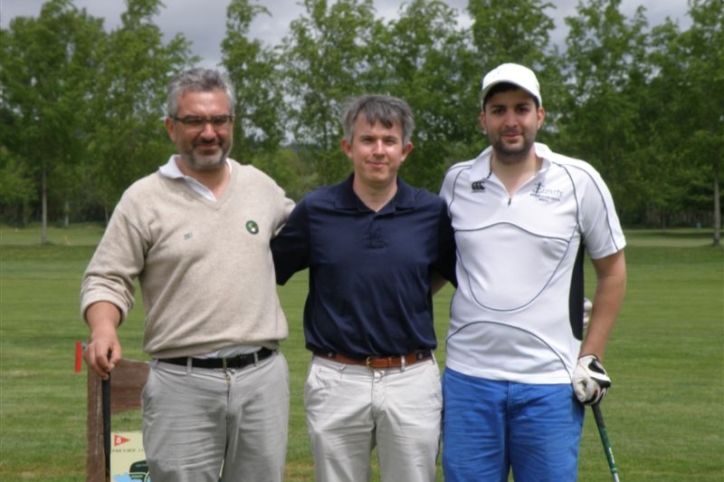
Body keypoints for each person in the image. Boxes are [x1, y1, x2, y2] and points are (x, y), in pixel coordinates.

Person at [80, 67, 294, 482]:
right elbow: (107, 277)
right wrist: (103, 328)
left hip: (262, 379)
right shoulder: (143, 198)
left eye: (219, 120)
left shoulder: (261, 187)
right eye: (194, 121)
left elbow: (318, 237)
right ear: (170, 127)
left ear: (232, 123)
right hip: (181, 382)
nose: (209, 132)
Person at [439, 63, 627, 482]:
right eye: (499, 109)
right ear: (483, 119)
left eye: (521, 108)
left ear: (539, 116)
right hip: (469, 380)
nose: (510, 121)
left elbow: (612, 271)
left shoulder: (580, 180)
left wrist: (591, 355)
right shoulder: (456, 182)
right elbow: (441, 267)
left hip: (550, 384)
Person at [271, 94, 456, 482]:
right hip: (337, 376)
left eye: (389, 141)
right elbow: (266, 271)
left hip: (411, 376)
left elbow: (447, 273)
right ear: (347, 147)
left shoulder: (431, 211)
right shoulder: (316, 210)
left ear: (405, 150)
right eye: (367, 140)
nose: (378, 150)